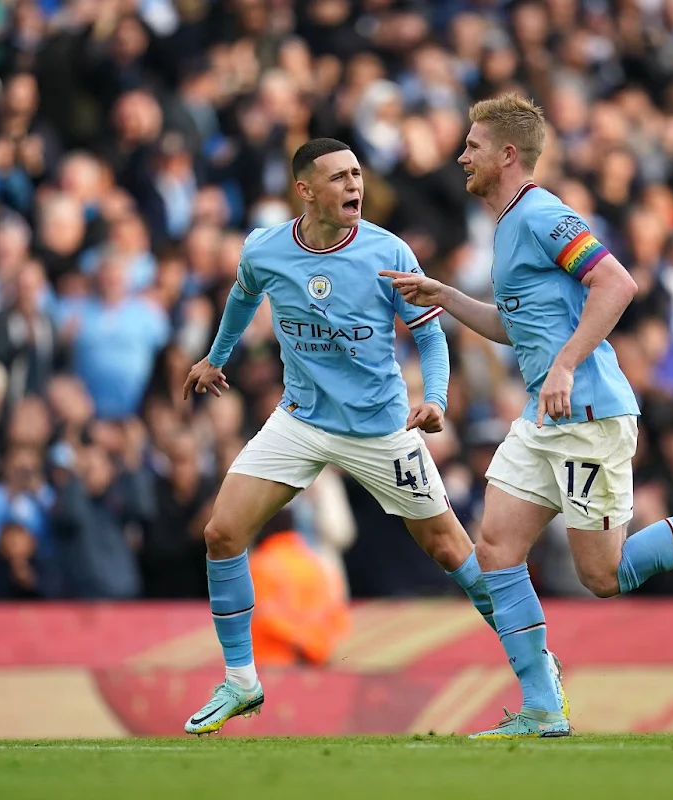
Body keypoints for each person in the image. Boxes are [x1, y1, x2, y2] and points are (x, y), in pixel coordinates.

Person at [384, 94, 673, 739]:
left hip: (588, 411)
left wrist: (565, 364)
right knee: (497, 547)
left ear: (508, 155)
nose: (462, 155)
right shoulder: (506, 226)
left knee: (604, 575)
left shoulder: (543, 213)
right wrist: (449, 297)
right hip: (545, 416)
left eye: (474, 146)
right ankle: (542, 708)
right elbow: (514, 327)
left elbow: (617, 283)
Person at [179, 138, 498, 735]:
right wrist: (214, 358)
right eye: (339, 177)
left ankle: (533, 667)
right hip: (300, 420)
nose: (355, 185)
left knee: (452, 552)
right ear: (305, 190)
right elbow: (243, 296)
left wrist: (433, 398)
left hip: (381, 430)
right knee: (222, 533)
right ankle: (242, 680)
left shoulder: (388, 250)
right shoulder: (266, 248)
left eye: (357, 174)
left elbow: (429, 334)